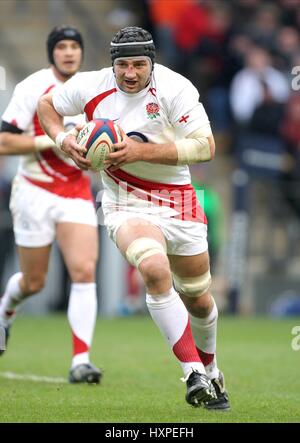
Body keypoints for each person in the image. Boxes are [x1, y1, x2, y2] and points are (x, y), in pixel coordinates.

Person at [38, 26, 230, 410]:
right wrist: (64, 141)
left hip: (180, 200)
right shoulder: (92, 85)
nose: (129, 73)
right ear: (113, 64)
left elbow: (205, 147)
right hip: (125, 202)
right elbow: (47, 107)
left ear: (151, 62)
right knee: (154, 268)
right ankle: (192, 372)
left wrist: (139, 152)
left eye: (139, 64)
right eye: (122, 64)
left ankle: (212, 370)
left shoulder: (175, 89)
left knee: (199, 299)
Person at [0, 26, 101, 384]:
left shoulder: (94, 88)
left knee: (84, 271)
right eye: (62, 46)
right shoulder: (32, 88)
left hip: (75, 192)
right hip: (34, 190)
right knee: (34, 281)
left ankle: (81, 360)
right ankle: (5, 312)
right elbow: (4, 142)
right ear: (51, 53)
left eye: (75, 46)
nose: (70, 52)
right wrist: (55, 139)